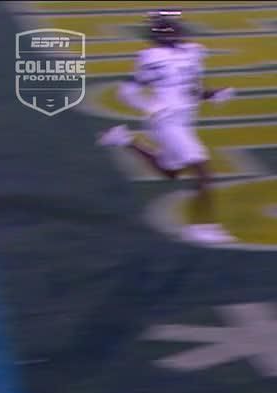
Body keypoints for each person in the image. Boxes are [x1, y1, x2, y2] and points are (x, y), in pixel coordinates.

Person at [95, 10, 236, 245]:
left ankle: (125, 140)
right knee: (204, 172)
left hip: (184, 121)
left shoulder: (192, 52)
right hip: (166, 122)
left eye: (175, 28)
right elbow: (126, 92)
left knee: (170, 172)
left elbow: (190, 90)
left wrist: (212, 94)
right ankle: (201, 227)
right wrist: (151, 108)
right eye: (169, 30)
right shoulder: (151, 57)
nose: (176, 32)